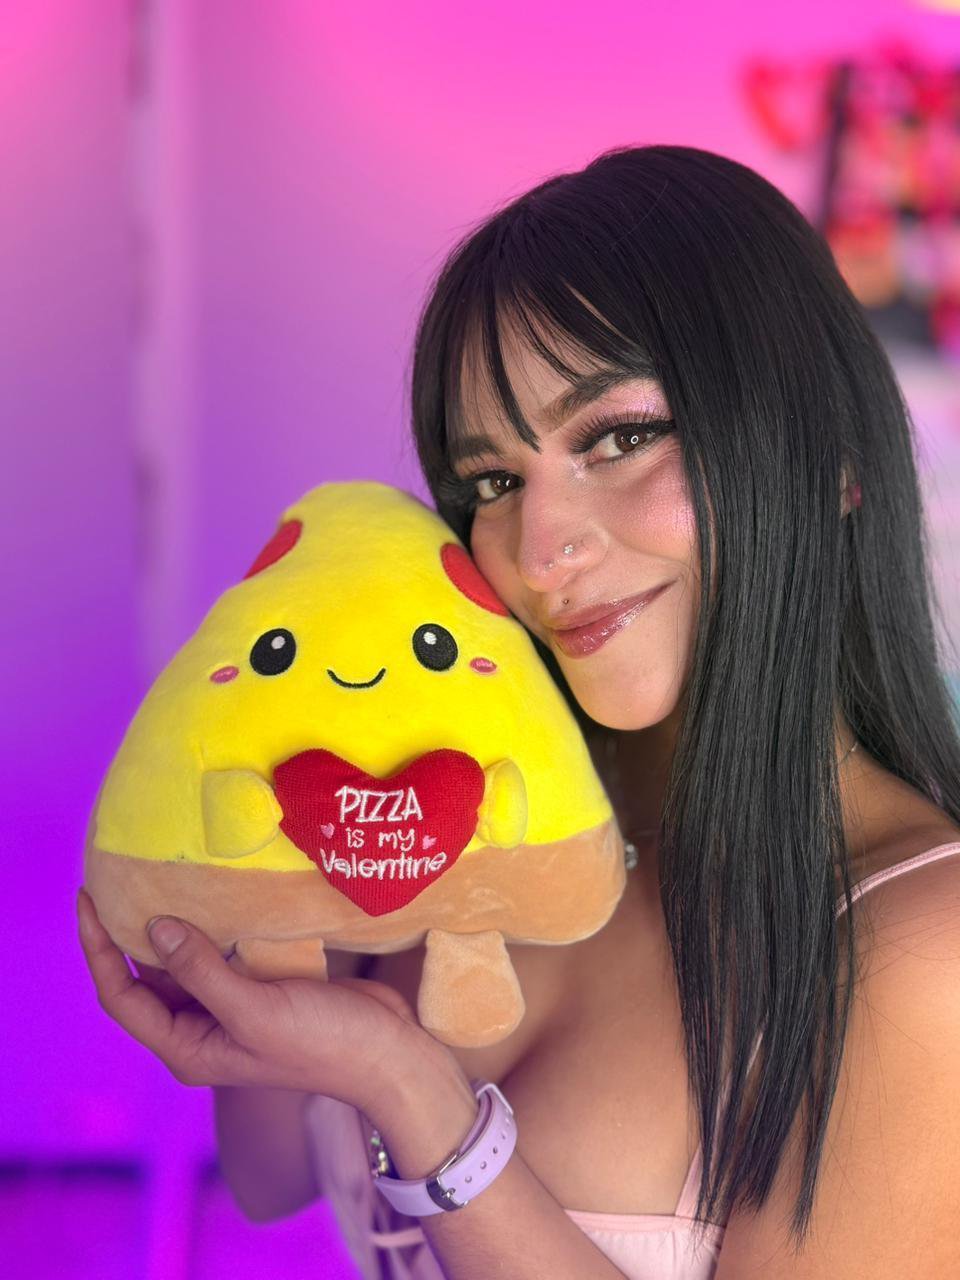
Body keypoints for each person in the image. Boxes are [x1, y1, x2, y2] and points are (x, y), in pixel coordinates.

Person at [78, 144, 960, 1280]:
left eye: (619, 437)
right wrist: (257, 945)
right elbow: (273, 1173)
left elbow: (381, 1094)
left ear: (831, 454)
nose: (541, 552)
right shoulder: (482, 811)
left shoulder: (921, 954)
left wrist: (415, 1092)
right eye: (494, 481)